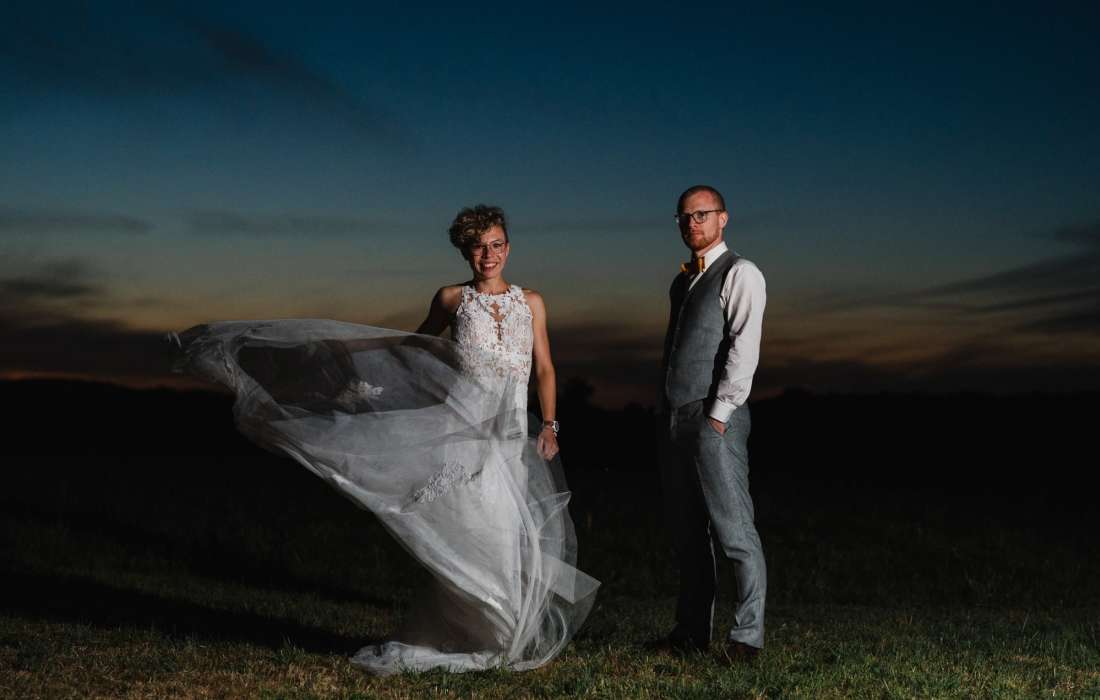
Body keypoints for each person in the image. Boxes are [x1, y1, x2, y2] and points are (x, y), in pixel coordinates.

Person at [173, 204, 597, 675]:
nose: (488, 255)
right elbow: (416, 348)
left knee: (508, 532)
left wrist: (551, 425)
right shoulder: (451, 299)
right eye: (478, 247)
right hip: (462, 430)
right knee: (473, 530)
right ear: (465, 252)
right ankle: (487, 631)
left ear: (509, 248)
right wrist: (373, 374)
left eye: (496, 245)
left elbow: (545, 368)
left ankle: (505, 631)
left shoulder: (532, 302)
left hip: (511, 430)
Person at [652, 184, 767, 663]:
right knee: (688, 534)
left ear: (723, 218)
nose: (692, 223)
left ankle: (747, 638)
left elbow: (744, 348)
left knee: (734, 531)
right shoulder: (681, 282)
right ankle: (691, 632)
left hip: (713, 418)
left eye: (702, 214)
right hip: (674, 418)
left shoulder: (741, 272)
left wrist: (717, 417)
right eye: (684, 216)